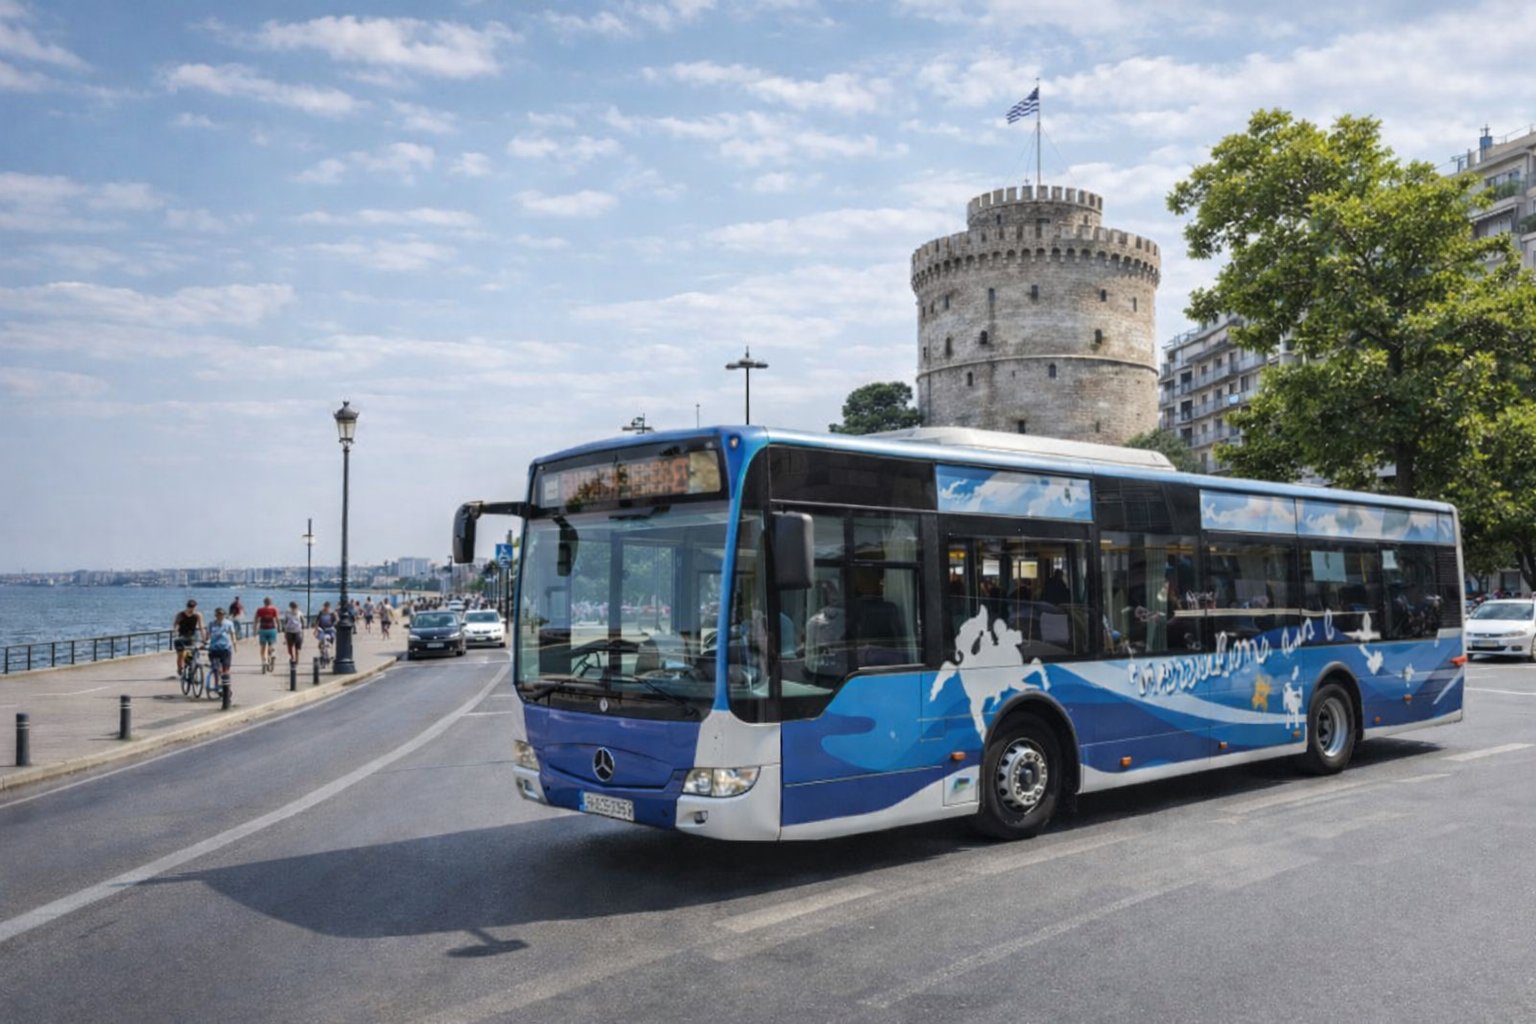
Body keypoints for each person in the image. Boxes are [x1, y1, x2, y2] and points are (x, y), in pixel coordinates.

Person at [205, 606, 238, 693]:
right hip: (214, 650)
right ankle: (217, 685)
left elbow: (233, 634)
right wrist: (205, 643)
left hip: (225, 649)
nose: (220, 616)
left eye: (222, 614)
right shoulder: (211, 624)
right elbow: (207, 636)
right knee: (216, 668)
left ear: (224, 615)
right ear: (215, 615)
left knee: (226, 670)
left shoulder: (229, 623)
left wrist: (235, 644)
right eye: (218, 615)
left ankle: (226, 687)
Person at [172, 599, 205, 676]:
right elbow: (176, 624)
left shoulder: (197, 615)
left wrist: (204, 639)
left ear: (195, 607)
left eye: (193, 607)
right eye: (190, 607)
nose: (191, 609)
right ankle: (179, 668)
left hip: (192, 636)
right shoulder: (180, 614)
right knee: (180, 654)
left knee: (193, 653)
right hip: (182, 636)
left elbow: (201, 627)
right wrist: (175, 632)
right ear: (187, 606)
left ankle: (192, 670)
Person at [253, 597, 281, 667]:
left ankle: (264, 661)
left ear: (264, 602)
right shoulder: (274, 609)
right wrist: (279, 628)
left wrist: (254, 630)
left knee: (263, 646)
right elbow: (277, 620)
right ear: (271, 602)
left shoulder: (259, 610)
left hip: (263, 630)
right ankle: (272, 653)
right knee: (271, 644)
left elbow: (256, 621)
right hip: (272, 629)